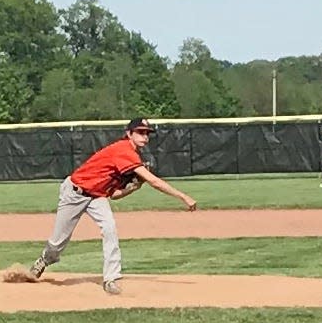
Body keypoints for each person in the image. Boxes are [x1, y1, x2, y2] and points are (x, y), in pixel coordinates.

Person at [29, 117, 198, 294]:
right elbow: (154, 182)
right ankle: (45, 260)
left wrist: (133, 187)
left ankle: (111, 279)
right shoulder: (124, 151)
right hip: (74, 193)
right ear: (129, 134)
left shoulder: (130, 156)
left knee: (110, 229)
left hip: (96, 196)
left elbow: (114, 195)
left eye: (147, 133)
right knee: (58, 241)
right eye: (140, 132)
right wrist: (183, 197)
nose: (145, 136)